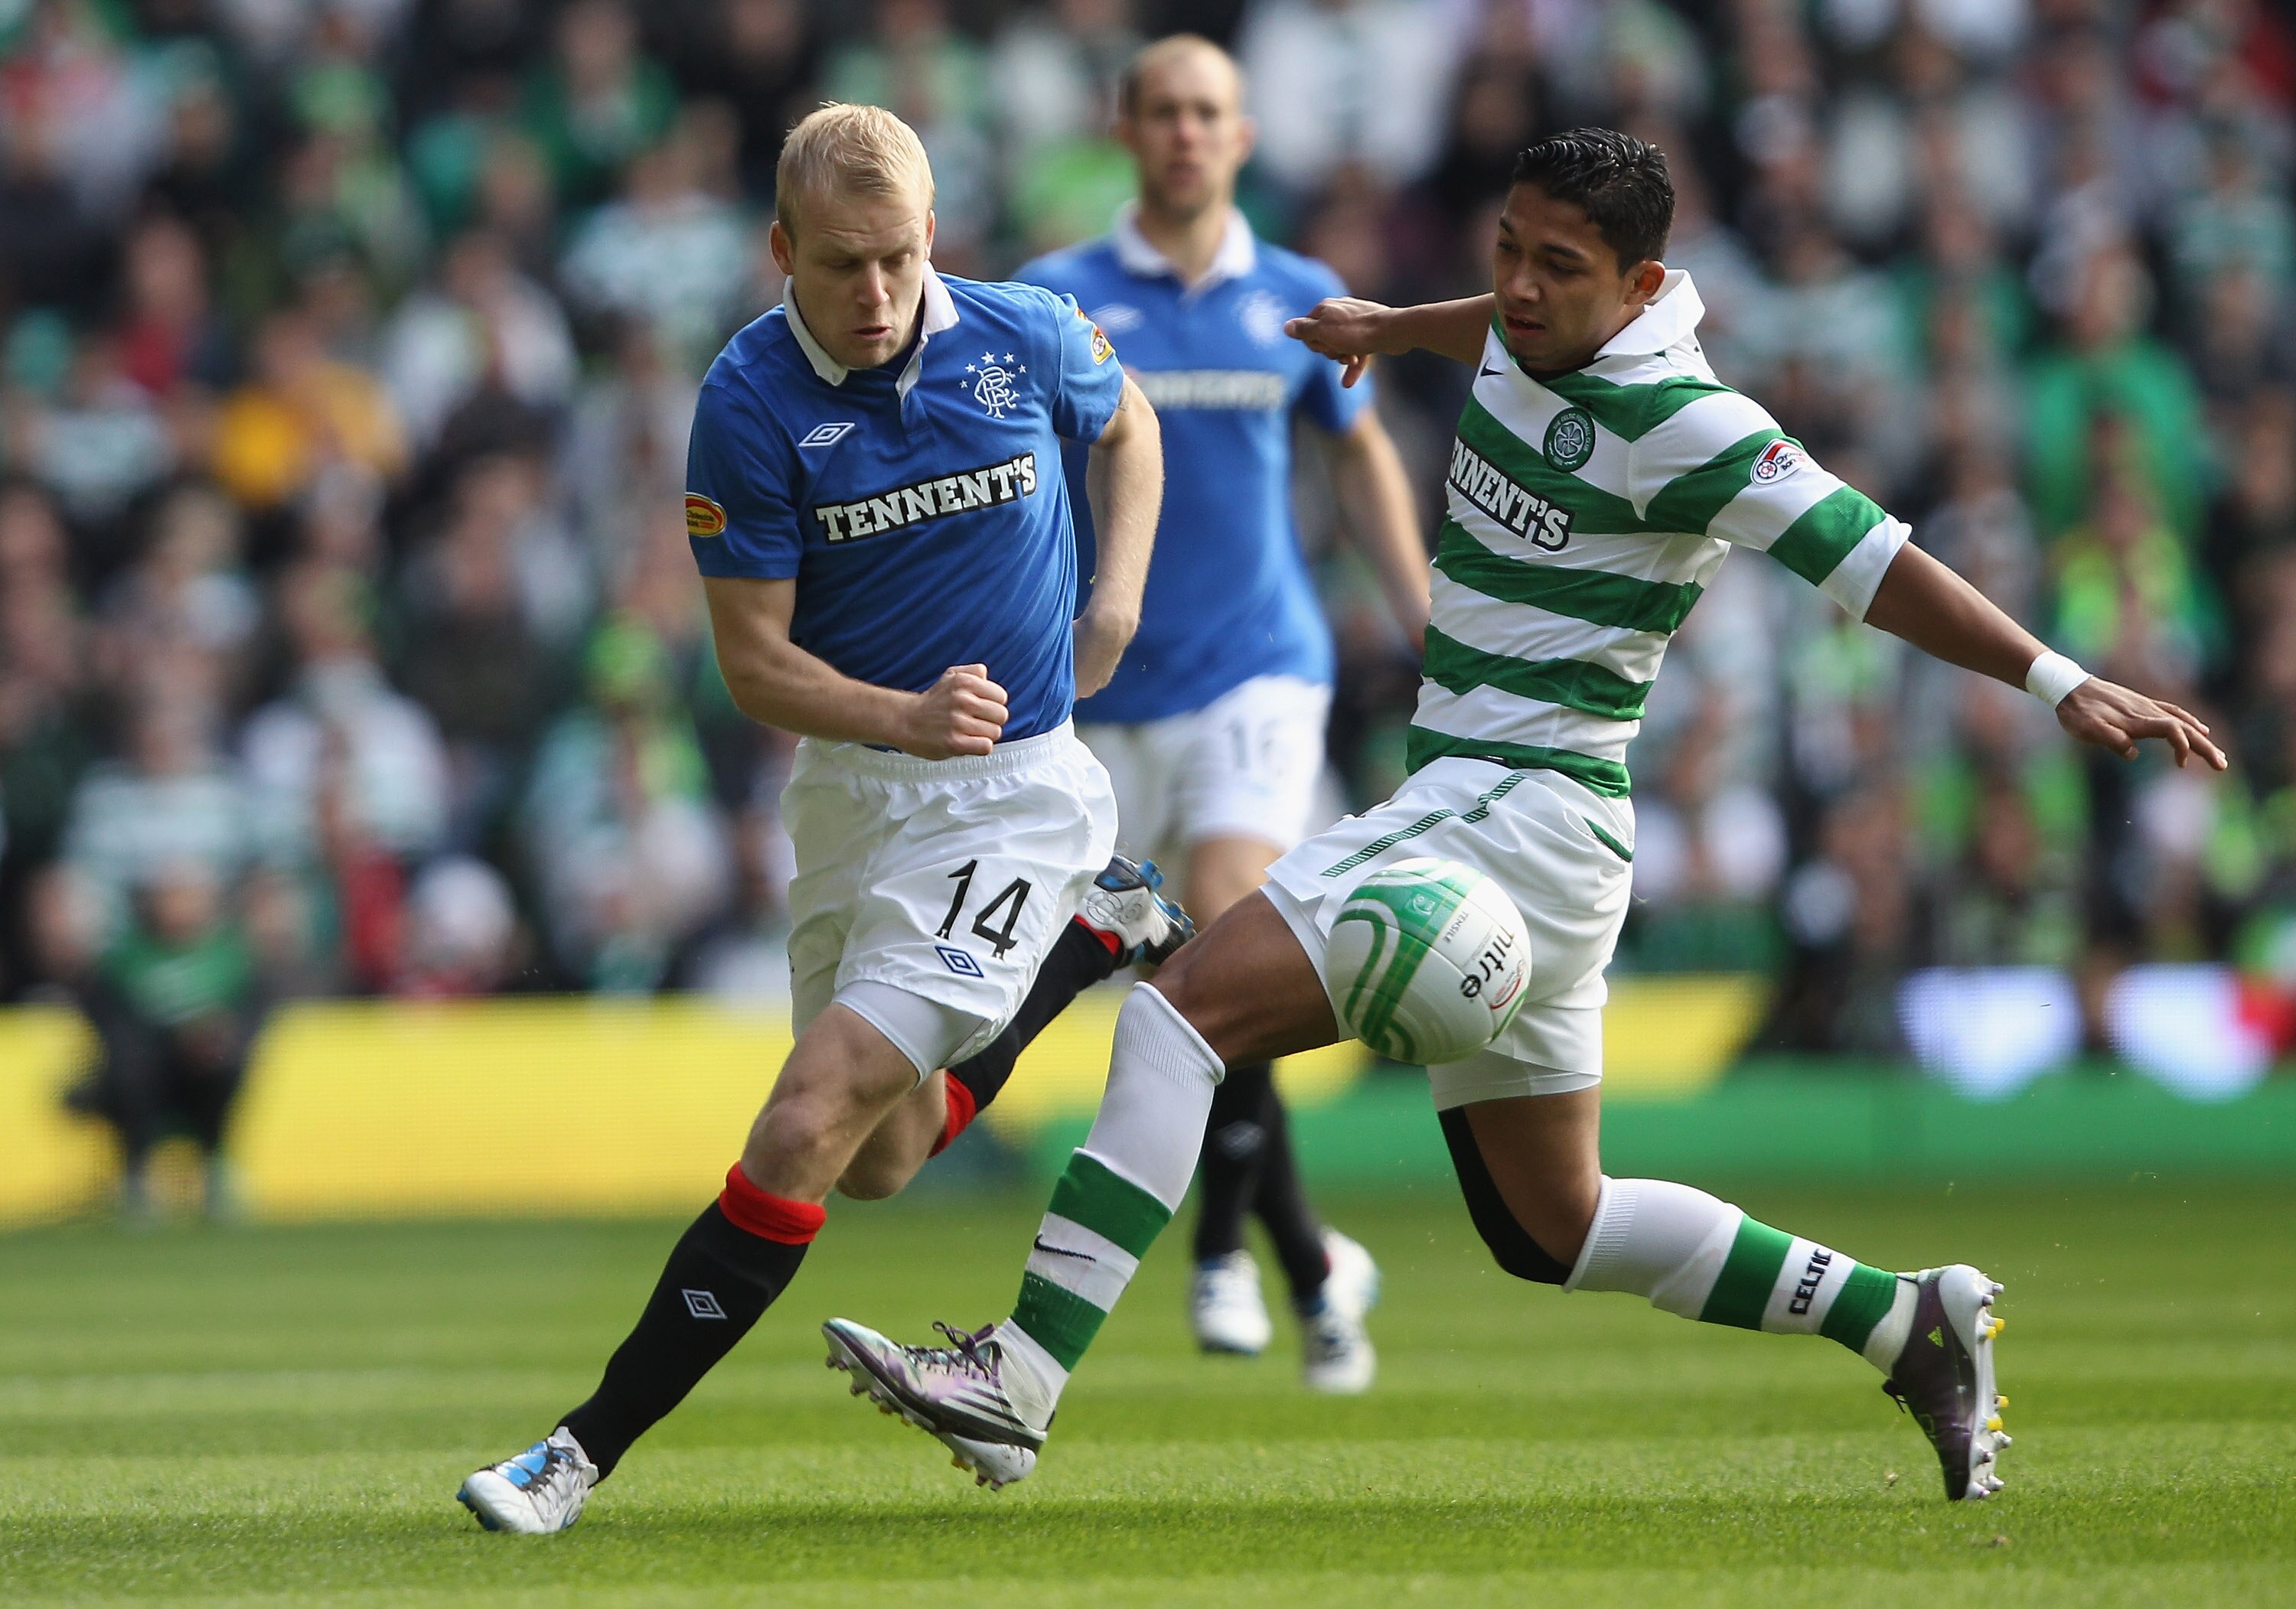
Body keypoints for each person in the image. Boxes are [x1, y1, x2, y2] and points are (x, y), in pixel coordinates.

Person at [821, 129, 2226, 1503]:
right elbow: (1486, 322)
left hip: (1511, 808)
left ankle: (1019, 1379)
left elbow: (1874, 559)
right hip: (1544, 840)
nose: (1525, 285)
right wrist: (1390, 321)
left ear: (1642, 283)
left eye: (1562, 265)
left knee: (1181, 1015)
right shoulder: (1517, 316)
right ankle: (1903, 1317)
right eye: (1510, 248)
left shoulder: (1690, 420)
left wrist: (2060, 681)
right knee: (1553, 1224)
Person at [457, 103, 1175, 1533]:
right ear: (781, 248)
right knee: (884, 1159)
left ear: (934, 239)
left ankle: (573, 1455)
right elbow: (753, 665)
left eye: (902, 259)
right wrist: (900, 716)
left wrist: (1117, 599)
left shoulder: (1021, 332)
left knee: (802, 1123)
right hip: (857, 786)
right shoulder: (745, 404)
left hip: (1017, 790)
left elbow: (1131, 421)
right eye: (843, 265)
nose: (878, 297)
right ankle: (1094, 936)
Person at [1016, 36, 1430, 1390]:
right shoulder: (1057, 299)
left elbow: (1358, 451)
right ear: (1122, 128)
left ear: (1243, 136)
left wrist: (1423, 617)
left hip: (1260, 669)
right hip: (1106, 691)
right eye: (1165, 113)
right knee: (1182, 983)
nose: (1188, 134)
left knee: (1224, 930)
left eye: (1210, 114)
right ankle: (1313, 1265)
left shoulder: (1297, 298)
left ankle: (1216, 1255)